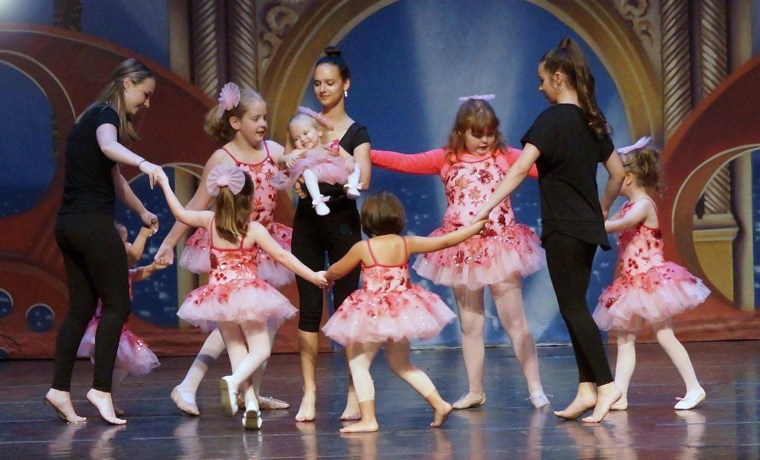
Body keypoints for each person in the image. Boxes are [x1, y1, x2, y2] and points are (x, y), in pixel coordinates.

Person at [473, 37, 626, 423]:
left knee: (573, 308)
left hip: (564, 228)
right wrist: (602, 208)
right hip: (587, 228)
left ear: (558, 78)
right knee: (573, 304)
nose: (539, 87)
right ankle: (586, 388)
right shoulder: (593, 124)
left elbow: (521, 167)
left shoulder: (550, 120)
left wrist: (488, 204)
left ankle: (606, 385)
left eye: (542, 79)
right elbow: (619, 174)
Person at [371, 96, 549, 409]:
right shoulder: (447, 158)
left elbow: (550, 164)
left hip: (500, 248)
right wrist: (362, 152)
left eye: (490, 133)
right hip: (461, 251)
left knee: (515, 321)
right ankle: (475, 390)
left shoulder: (507, 157)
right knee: (470, 323)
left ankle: (535, 388)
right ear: (461, 132)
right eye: (477, 133)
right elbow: (403, 161)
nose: (485, 140)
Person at [154, 82, 291, 415]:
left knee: (262, 326)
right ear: (235, 122)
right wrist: (169, 243)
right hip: (232, 249)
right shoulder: (223, 158)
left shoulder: (272, 150)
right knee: (234, 323)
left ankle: (250, 394)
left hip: (262, 243)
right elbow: (196, 205)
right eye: (256, 118)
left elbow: (299, 165)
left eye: (264, 118)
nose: (262, 124)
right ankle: (194, 386)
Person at [156, 164, 328, 429]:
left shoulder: (208, 222)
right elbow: (283, 256)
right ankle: (234, 383)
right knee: (258, 350)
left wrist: (166, 184)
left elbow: (179, 212)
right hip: (248, 294)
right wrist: (313, 275)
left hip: (218, 297)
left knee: (238, 351)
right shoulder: (254, 230)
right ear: (249, 199)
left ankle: (250, 408)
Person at [44, 58, 165, 425]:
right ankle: (101, 389)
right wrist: (147, 164)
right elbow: (109, 146)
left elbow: (115, 179)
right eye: (145, 95)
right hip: (92, 224)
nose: (146, 104)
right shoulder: (105, 116)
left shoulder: (90, 117)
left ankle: (59, 390)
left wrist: (144, 212)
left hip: (69, 225)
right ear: (128, 83)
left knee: (82, 309)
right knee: (117, 305)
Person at [321, 192, 487, 432]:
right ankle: (439, 403)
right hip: (401, 312)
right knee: (401, 364)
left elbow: (338, 269)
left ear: (366, 221)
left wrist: (326, 277)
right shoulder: (406, 243)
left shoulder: (362, 247)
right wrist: (475, 227)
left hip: (373, 313)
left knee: (358, 363)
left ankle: (368, 419)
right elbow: (446, 241)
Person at [592, 142, 710, 411]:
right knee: (625, 338)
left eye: (616, 178)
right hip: (632, 283)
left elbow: (623, 224)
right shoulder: (628, 206)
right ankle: (619, 394)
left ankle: (694, 387)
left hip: (652, 281)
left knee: (665, 335)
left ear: (628, 178)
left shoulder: (643, 205)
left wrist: (595, 225)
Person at [291, 46, 372, 422]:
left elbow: (365, 177)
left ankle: (355, 392)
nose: (322, 90)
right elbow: (291, 166)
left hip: (341, 223)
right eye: (317, 84)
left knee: (347, 308)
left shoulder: (356, 131)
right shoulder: (306, 127)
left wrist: (339, 157)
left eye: (329, 83)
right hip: (308, 222)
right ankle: (309, 393)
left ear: (346, 84)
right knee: (309, 308)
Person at [77, 223, 166, 415]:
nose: (130, 244)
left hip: (118, 327)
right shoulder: (107, 267)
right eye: (126, 241)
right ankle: (102, 393)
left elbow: (136, 273)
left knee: (121, 365)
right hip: (103, 327)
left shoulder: (121, 270)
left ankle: (104, 395)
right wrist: (143, 233)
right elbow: (132, 258)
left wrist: (153, 267)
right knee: (115, 364)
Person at [273, 107, 362, 215]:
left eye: (305, 133)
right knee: (307, 173)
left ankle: (352, 187)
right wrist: (287, 157)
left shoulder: (330, 146)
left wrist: (349, 161)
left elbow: (349, 157)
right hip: (317, 174)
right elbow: (280, 159)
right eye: (296, 138)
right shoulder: (301, 152)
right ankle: (318, 202)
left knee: (355, 166)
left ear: (319, 131)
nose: (302, 139)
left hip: (335, 172)